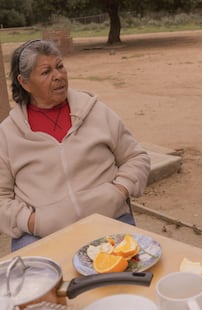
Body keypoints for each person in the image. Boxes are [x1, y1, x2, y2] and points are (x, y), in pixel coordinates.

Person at [0, 39, 151, 251]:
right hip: (40, 235)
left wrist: (118, 192)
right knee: (35, 283)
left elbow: (136, 157)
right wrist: (32, 221)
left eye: (60, 66)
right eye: (46, 72)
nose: (58, 76)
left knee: (126, 280)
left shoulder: (95, 111)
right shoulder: (8, 134)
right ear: (25, 83)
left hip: (108, 222)